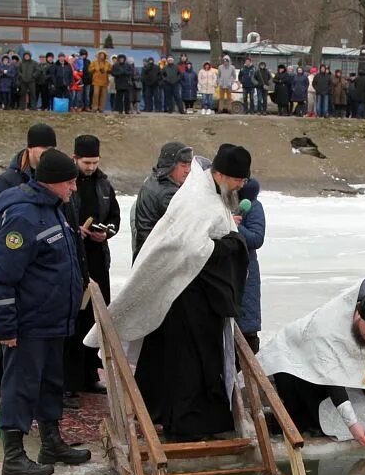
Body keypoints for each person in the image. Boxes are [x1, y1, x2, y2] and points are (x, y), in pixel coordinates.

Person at [87, 144, 251, 441]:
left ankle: (181, 416)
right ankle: (185, 423)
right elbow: (187, 247)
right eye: (239, 181)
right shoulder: (198, 199)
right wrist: (230, 245)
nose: (241, 186)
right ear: (224, 175)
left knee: (187, 359)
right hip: (186, 295)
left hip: (194, 292)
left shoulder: (211, 194)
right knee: (188, 363)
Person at [0, 149, 91, 475]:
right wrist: (5, 327)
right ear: (53, 183)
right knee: (21, 386)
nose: (74, 188)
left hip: (53, 320)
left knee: (50, 383)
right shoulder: (24, 217)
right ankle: (13, 455)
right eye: (70, 182)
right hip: (28, 323)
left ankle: (51, 441)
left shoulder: (53, 209)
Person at [258, 278, 365, 445]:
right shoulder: (328, 326)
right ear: (358, 315)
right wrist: (353, 425)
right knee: (314, 421)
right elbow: (333, 379)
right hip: (295, 364)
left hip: (327, 372)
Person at [64, 134, 120, 396]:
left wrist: (106, 232)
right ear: (75, 158)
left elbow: (115, 218)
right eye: (86, 162)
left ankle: (89, 373)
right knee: (76, 317)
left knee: (95, 318)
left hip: (97, 259)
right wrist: (75, 231)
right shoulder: (65, 183)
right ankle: (71, 380)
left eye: (95, 162)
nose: (90, 167)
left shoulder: (104, 184)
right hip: (74, 259)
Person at [0, 122, 57, 243]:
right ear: (30, 148)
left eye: (51, 149)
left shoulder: (58, 178)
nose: (47, 153)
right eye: (43, 148)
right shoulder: (7, 180)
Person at [130, 141, 194, 259]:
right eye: (183, 166)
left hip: (147, 254)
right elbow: (189, 226)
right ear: (170, 166)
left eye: (189, 165)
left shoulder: (154, 179)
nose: (188, 170)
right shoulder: (168, 193)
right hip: (157, 258)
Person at [234, 178, 266, 352]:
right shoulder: (222, 200)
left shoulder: (253, 206)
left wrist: (233, 225)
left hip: (247, 273)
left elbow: (256, 238)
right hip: (229, 270)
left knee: (247, 328)